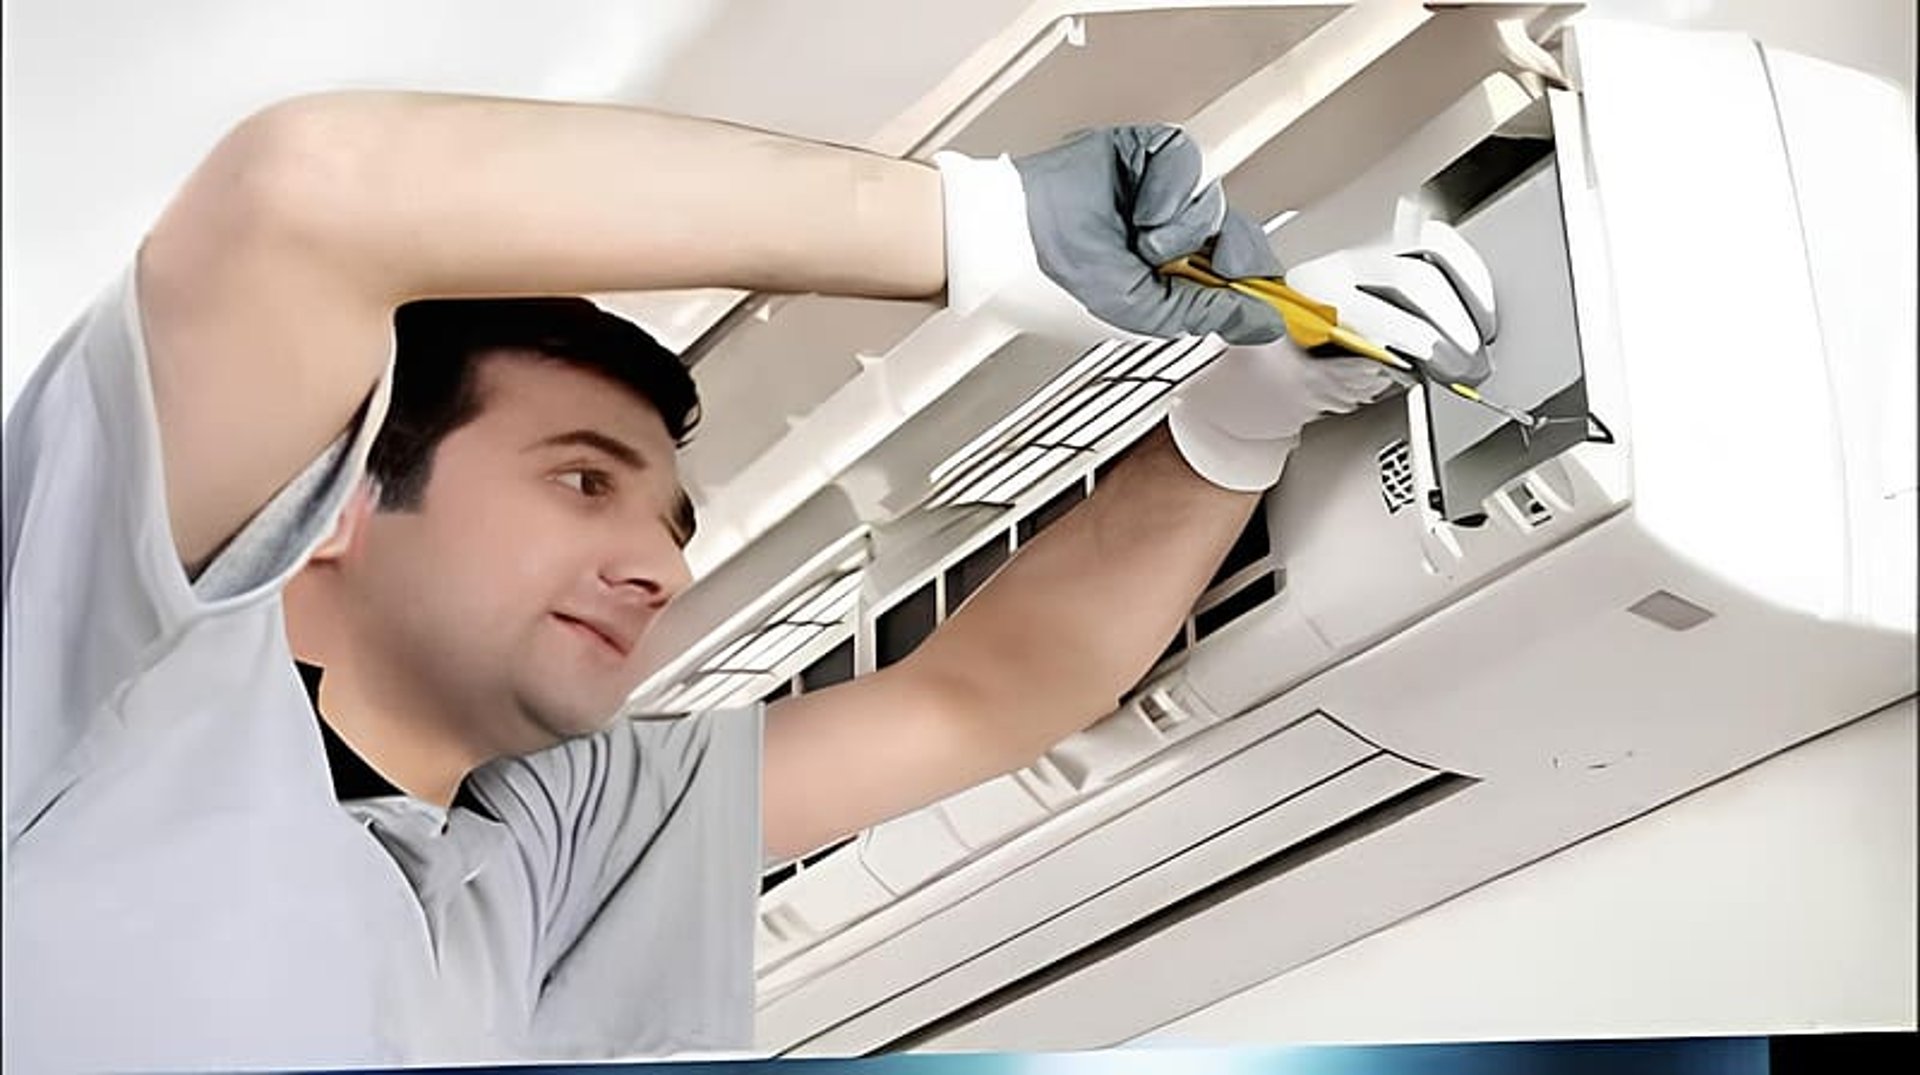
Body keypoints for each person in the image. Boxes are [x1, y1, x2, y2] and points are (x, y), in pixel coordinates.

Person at [3, 93, 1474, 1069]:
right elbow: (303, 194)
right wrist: (975, 235)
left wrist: (1235, 426)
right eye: (582, 479)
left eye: (674, 522)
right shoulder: (111, 697)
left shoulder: (540, 841)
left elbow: (975, 700)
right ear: (334, 504)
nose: (657, 565)